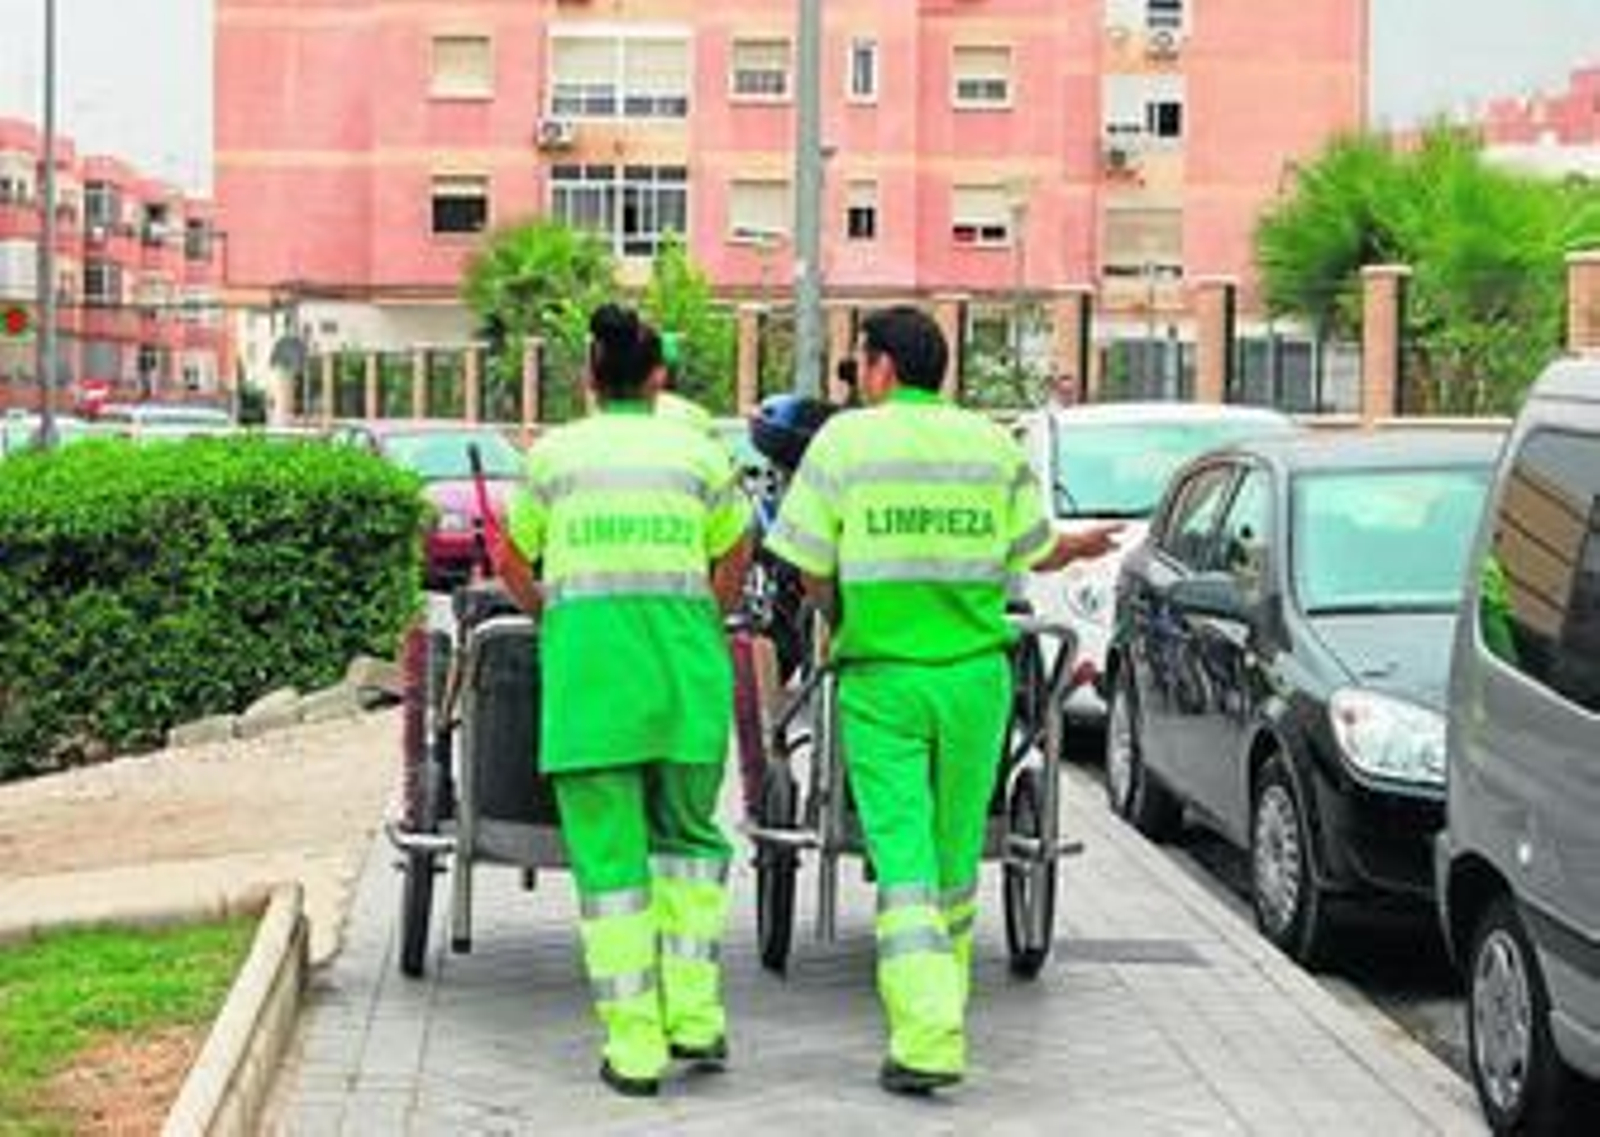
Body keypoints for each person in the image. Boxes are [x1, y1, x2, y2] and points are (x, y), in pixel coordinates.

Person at [764, 306, 1120, 1096]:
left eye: (859, 365)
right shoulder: (991, 444)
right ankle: (942, 1012)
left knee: (905, 859)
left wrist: (841, 618)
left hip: (883, 680)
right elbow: (1032, 547)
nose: (858, 380)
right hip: (976, 682)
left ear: (883, 365)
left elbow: (808, 562)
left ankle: (927, 1036)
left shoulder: (847, 442)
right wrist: (1082, 542)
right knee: (958, 860)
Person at [496, 304, 753, 1098]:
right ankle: (696, 1016)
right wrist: (702, 617)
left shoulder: (555, 457)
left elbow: (510, 554)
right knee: (689, 848)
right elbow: (736, 550)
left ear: (588, 380)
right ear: (658, 377)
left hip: (591, 685)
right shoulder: (700, 453)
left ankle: (636, 1047)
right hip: (686, 679)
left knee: (611, 871)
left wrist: (555, 615)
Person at [654, 330, 717, 433]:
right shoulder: (664, 337)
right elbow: (682, 337)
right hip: (667, 365)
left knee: (670, 383)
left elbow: (682, 336)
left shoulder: (666, 337)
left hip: (669, 366)